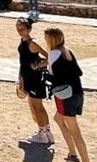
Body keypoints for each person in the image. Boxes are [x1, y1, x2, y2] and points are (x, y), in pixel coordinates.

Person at [45, 27, 89, 162]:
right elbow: (78, 72)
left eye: (46, 38)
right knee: (58, 119)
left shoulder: (53, 54)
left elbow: (52, 74)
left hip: (65, 96)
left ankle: (85, 160)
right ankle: (72, 154)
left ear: (52, 39)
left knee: (75, 131)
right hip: (77, 93)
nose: (45, 40)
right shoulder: (67, 51)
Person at [16, 17, 54, 145]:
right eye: (18, 29)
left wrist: (38, 66)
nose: (19, 31)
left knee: (37, 107)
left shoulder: (32, 44)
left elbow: (49, 57)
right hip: (28, 78)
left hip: (36, 79)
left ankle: (42, 134)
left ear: (29, 29)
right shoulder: (23, 42)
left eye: (22, 29)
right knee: (37, 106)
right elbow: (23, 62)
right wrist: (20, 79)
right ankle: (47, 133)